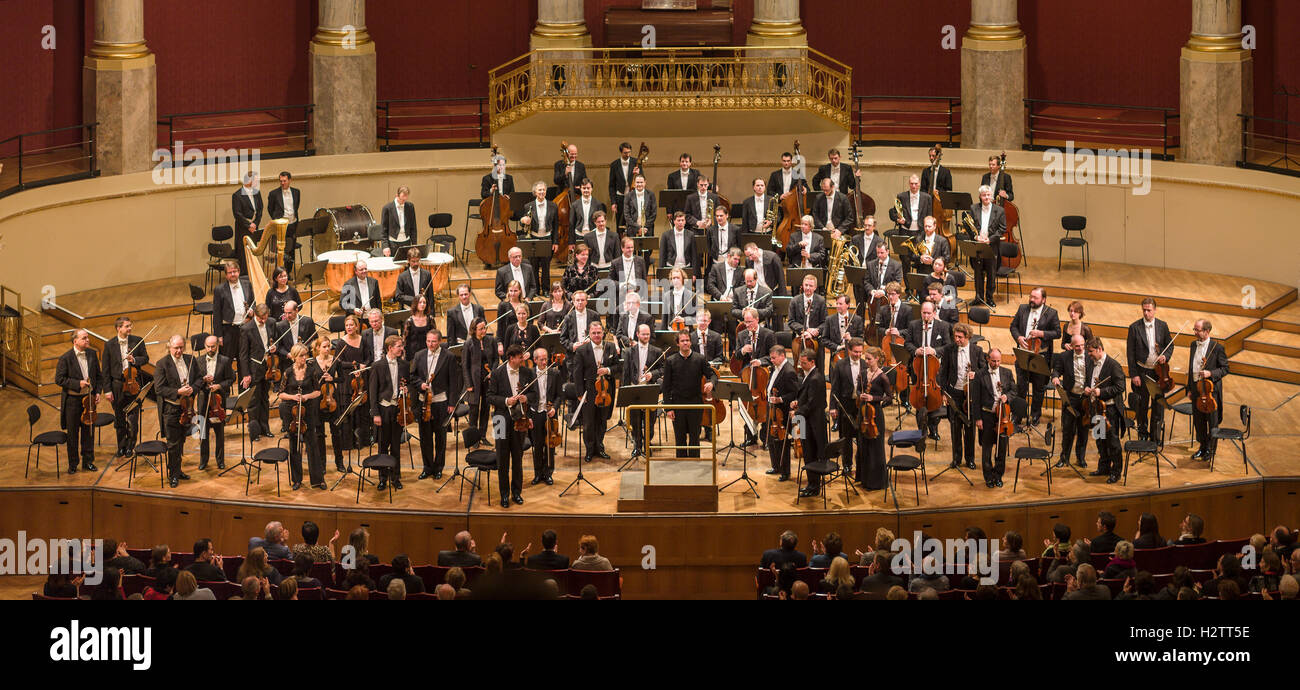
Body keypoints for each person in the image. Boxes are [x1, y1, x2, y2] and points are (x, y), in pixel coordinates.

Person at [488, 344, 536, 507]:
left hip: (520, 420)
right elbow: (490, 397)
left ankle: (516, 492)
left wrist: (526, 398)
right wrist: (506, 401)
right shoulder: (497, 373)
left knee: (517, 457)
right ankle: (504, 494)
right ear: (511, 358)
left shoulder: (527, 372)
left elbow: (533, 393)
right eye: (520, 357)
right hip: (500, 420)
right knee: (502, 459)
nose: (522, 359)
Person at [1009, 287, 1061, 425]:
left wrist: (1041, 334)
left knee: (1038, 388)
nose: (1032, 299)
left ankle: (1035, 415)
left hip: (1041, 355)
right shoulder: (1022, 309)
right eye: (1031, 296)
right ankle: (1018, 415)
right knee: (1021, 386)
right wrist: (1018, 337)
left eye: (1035, 298)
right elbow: (1013, 326)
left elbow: (1057, 333)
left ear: (1043, 300)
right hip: (1023, 353)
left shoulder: (1051, 313)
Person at [101, 316, 150, 460]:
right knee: (119, 418)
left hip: (133, 384)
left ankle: (130, 446)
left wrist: (134, 360)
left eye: (130, 325)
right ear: (119, 328)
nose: (130, 328)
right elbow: (105, 370)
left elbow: (145, 358)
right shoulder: (109, 345)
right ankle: (121, 446)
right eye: (127, 326)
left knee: (133, 418)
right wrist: (107, 390)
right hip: (117, 385)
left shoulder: (137, 340)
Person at [54, 329, 102, 474]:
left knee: (89, 432)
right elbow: (59, 379)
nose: (88, 340)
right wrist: (77, 383)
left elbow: (99, 377)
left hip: (89, 399)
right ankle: (73, 464)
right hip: (73, 402)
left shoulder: (92, 354)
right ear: (75, 341)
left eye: (88, 338)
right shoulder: (65, 358)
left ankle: (88, 461)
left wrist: (98, 392)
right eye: (84, 338)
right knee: (73, 434)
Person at [1125, 297, 1172, 442]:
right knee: (1142, 407)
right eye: (1144, 310)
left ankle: (1155, 438)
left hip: (1158, 373)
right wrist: (1134, 375)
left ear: (1155, 310)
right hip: (1141, 372)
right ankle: (1143, 436)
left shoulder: (1163, 326)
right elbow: (1130, 352)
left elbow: (1170, 346)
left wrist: (1165, 355)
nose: (1146, 313)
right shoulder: (1134, 327)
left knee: (1158, 406)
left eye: (1149, 310)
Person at [573, 322, 619, 464]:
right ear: (589, 334)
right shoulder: (582, 350)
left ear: (603, 333)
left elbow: (618, 367)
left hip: (606, 391)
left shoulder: (610, 347)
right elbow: (577, 374)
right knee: (588, 423)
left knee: (602, 421)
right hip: (589, 391)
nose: (597, 335)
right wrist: (580, 394)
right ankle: (589, 449)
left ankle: (600, 447)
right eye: (594, 333)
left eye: (599, 333)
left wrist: (608, 370)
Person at [904, 300, 951, 440]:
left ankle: (933, 429)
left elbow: (948, 346)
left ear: (934, 313)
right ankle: (921, 431)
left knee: (934, 400)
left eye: (928, 313)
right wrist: (916, 350)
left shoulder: (943, 326)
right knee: (919, 401)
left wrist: (934, 351)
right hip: (918, 369)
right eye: (923, 313)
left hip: (935, 370)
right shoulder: (913, 325)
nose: (925, 316)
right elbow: (907, 343)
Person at [973, 348, 1019, 488]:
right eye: (993, 361)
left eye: (999, 361)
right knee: (986, 449)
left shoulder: (1007, 372)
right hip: (986, 416)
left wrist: (1007, 397)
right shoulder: (980, 375)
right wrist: (978, 418)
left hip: (1003, 417)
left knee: (1001, 449)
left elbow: (1014, 391)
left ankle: (998, 475)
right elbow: (975, 399)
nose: (996, 363)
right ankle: (988, 477)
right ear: (988, 359)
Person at [280, 343, 323, 491]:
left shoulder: (312, 371)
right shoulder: (287, 372)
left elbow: (318, 392)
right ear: (294, 357)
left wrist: (305, 396)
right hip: (291, 413)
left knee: (312, 444)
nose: (305, 358)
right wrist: (293, 397)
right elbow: (280, 393)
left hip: (308, 411)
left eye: (306, 355)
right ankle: (296, 479)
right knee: (294, 445)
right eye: (301, 356)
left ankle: (317, 480)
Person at [940, 323, 983, 470]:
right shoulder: (949, 349)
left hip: (970, 395)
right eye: (955, 336)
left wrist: (975, 374)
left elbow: (983, 372)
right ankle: (956, 459)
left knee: (970, 429)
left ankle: (970, 459)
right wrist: (944, 393)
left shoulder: (977, 350)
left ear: (967, 337)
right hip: (954, 394)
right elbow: (942, 373)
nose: (957, 339)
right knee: (955, 428)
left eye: (960, 337)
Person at [369, 334, 409, 491]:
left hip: (398, 409)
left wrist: (407, 390)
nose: (401, 348)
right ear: (390, 348)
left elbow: (410, 384)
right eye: (399, 346)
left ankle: (395, 477)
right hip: (383, 409)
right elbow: (372, 392)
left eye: (402, 346)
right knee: (383, 445)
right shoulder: (377, 366)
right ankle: (382, 478)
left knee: (396, 446)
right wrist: (375, 414)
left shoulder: (404, 365)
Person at [1084, 337, 1126, 483]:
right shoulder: (1090, 363)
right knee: (1100, 440)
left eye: (1090, 352)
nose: (1088, 355)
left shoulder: (1113, 365)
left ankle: (1116, 472)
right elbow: (1087, 380)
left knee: (1112, 443)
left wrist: (1101, 392)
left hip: (1110, 410)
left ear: (1099, 349)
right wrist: (1087, 388)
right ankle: (1104, 467)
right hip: (1096, 409)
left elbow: (1120, 387)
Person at [1188, 318, 1228, 463]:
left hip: (1211, 392)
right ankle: (1203, 447)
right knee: (1198, 422)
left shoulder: (1217, 348)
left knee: (1212, 422)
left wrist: (1210, 373)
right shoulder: (1193, 345)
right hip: (1196, 389)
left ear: (1206, 331)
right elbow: (1191, 367)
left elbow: (1225, 369)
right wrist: (1189, 388)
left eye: (1197, 330)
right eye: (1194, 329)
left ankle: (1211, 450)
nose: (1195, 333)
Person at [238, 304, 280, 441]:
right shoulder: (246, 329)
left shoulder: (272, 322)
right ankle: (255, 432)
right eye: (261, 318)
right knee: (253, 402)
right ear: (255, 315)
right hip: (254, 369)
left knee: (265, 399)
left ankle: (265, 428)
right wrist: (246, 374)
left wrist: (275, 347)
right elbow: (243, 354)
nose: (263, 321)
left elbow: (277, 340)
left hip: (268, 368)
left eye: (265, 317)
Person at [623, 324, 663, 459]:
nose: (646, 336)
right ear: (637, 334)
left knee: (650, 420)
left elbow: (663, 369)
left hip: (650, 389)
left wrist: (653, 373)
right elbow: (626, 373)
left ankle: (647, 443)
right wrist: (625, 391)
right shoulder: (629, 351)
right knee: (635, 419)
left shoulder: (657, 351)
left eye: (648, 334)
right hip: (635, 389)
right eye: (643, 334)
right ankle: (637, 445)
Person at [793, 348, 829, 497]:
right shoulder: (811, 375)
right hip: (807, 420)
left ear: (812, 362)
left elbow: (812, 404)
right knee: (808, 453)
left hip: (811, 424)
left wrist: (796, 412)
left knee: (810, 454)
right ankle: (812, 484)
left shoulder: (815, 378)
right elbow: (808, 398)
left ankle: (813, 486)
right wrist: (798, 402)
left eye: (803, 363)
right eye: (800, 362)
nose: (801, 366)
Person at [1051, 334, 1091, 468]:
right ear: (1072, 346)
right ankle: (1064, 458)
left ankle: (1081, 458)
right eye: (1077, 346)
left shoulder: (1090, 357)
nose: (1080, 348)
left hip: (1086, 399)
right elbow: (1056, 370)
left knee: (1083, 430)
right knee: (1068, 430)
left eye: (1082, 345)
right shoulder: (1064, 357)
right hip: (1071, 398)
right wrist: (1055, 377)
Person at [764, 346, 800, 482]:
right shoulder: (775, 367)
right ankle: (776, 466)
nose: (771, 360)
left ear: (782, 356)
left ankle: (785, 471)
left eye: (774, 358)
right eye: (771, 358)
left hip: (782, 412)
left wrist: (780, 399)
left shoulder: (789, 371)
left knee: (781, 442)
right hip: (772, 409)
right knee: (772, 439)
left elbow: (794, 393)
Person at [968, 184, 1006, 306]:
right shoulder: (973, 208)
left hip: (991, 246)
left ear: (992, 196)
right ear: (980, 196)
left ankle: (989, 298)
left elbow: (1002, 229)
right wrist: (975, 237)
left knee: (991, 274)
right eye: (984, 195)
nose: (986, 197)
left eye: (988, 195)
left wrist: (989, 239)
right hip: (978, 246)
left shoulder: (999, 210)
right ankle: (978, 297)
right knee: (978, 274)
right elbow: (968, 226)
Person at [519, 180, 560, 288]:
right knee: (534, 266)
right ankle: (535, 288)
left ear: (546, 191)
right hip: (534, 238)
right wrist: (523, 220)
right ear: (535, 192)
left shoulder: (553, 206)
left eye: (543, 190)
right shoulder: (528, 206)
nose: (542, 192)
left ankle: (546, 289)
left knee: (546, 266)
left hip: (547, 238)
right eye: (539, 190)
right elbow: (523, 224)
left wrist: (555, 242)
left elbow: (556, 226)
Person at [462, 317, 498, 441]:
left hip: (487, 380)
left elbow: (496, 359)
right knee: (473, 411)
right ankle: (473, 439)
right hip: (473, 381)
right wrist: (468, 384)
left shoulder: (491, 340)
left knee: (485, 409)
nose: (484, 331)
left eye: (484, 328)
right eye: (480, 329)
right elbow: (465, 366)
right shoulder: (468, 343)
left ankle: (482, 436)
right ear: (474, 330)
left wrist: (493, 372)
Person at [265, 171, 301, 273]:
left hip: (293, 224)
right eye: (281, 181)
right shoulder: (273, 194)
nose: (282, 183)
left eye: (284, 181)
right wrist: (277, 219)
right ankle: (280, 272)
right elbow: (270, 209)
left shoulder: (296, 192)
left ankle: (288, 272)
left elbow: (296, 206)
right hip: (281, 225)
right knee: (280, 250)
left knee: (291, 249)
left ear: (290, 180)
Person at [788, 273, 825, 367]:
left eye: (811, 286)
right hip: (799, 338)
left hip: (816, 339)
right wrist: (805, 330)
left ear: (815, 287)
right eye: (806, 285)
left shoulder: (821, 301)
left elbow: (825, 322)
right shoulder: (795, 301)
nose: (808, 288)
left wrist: (816, 331)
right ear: (802, 285)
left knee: (818, 367)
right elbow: (791, 321)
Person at [231, 172, 263, 274]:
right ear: (249, 181)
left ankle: (253, 275)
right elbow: (237, 214)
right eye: (256, 180)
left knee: (253, 253)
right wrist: (248, 225)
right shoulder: (237, 195)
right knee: (243, 256)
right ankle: (245, 277)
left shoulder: (257, 192)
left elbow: (260, 210)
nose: (257, 182)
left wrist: (255, 224)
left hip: (253, 229)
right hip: (243, 230)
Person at [608, 142, 639, 231]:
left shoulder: (636, 162)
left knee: (633, 221)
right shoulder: (614, 165)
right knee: (620, 224)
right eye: (625, 153)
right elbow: (611, 185)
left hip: (633, 196)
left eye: (629, 152)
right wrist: (613, 202)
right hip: (620, 197)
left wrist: (638, 174)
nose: (628, 154)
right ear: (621, 152)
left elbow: (643, 179)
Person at [659, 211, 698, 277]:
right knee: (671, 287)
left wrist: (694, 273)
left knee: (687, 287)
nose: (680, 222)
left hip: (686, 268)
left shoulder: (691, 235)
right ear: (674, 221)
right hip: (671, 268)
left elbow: (694, 256)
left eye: (682, 220)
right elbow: (662, 255)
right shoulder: (666, 235)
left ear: (685, 222)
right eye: (678, 220)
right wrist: (662, 274)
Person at [380, 185, 417, 255]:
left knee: (406, 264)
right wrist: (385, 246)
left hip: (406, 242)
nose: (403, 202)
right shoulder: (387, 208)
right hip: (393, 243)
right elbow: (383, 229)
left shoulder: (410, 206)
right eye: (402, 199)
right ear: (397, 195)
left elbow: (413, 226)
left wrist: (414, 244)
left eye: (405, 200)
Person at [394, 247, 433, 311]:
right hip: (408, 310)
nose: (416, 264)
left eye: (417, 261)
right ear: (408, 260)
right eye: (413, 261)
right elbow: (398, 296)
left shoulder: (427, 274)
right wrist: (415, 299)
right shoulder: (402, 276)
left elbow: (430, 297)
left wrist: (431, 314)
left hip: (423, 310)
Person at [623, 174, 656, 239]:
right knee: (632, 249)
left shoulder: (651, 194)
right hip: (632, 229)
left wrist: (645, 228)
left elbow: (653, 213)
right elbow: (627, 215)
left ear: (645, 183)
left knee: (648, 248)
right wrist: (638, 228)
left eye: (641, 182)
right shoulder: (628, 196)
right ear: (634, 183)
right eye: (637, 182)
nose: (639, 184)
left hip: (648, 228)